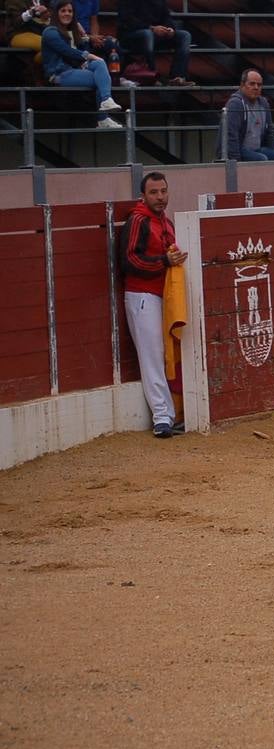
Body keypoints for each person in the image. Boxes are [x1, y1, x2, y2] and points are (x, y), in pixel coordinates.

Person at [120, 171, 185, 438]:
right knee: (152, 355)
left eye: (163, 191)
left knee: (164, 352)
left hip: (163, 295)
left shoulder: (166, 222)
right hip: (142, 296)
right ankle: (162, 417)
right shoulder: (137, 221)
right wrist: (164, 262)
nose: (160, 197)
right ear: (143, 196)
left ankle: (171, 413)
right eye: (154, 192)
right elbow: (129, 261)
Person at [41, 0, 122, 129]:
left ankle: (106, 101)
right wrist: (88, 56)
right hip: (60, 73)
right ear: (56, 14)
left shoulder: (73, 31)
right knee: (100, 78)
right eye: (63, 11)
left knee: (99, 64)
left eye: (70, 11)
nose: (67, 14)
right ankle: (103, 118)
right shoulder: (50, 32)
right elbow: (67, 51)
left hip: (76, 69)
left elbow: (82, 47)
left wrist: (83, 33)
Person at [116, 0, 192, 86]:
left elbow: (166, 17)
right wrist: (151, 28)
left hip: (155, 35)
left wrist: (170, 29)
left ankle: (177, 77)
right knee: (147, 34)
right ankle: (153, 75)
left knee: (185, 35)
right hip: (131, 35)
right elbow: (126, 20)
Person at [223, 69, 274, 161]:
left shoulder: (264, 103)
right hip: (239, 150)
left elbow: (269, 131)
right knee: (261, 159)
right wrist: (234, 161)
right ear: (242, 85)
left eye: (259, 85)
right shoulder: (235, 103)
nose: (256, 87)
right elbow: (231, 135)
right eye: (252, 84)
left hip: (257, 149)